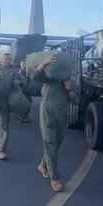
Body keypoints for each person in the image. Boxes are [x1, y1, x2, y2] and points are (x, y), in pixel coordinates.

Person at [30, 53, 80, 192]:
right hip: (47, 110)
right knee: (50, 143)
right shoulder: (49, 78)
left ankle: (42, 165)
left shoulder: (70, 82)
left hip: (61, 113)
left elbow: (76, 101)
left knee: (57, 141)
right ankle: (54, 178)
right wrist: (44, 63)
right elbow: (34, 77)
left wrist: (69, 89)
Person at [18, 59, 32, 123]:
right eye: (22, 64)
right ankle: (21, 117)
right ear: (20, 65)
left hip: (27, 91)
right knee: (21, 105)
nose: (24, 65)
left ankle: (25, 115)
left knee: (29, 103)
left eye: (25, 64)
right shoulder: (18, 73)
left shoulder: (29, 73)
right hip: (21, 91)